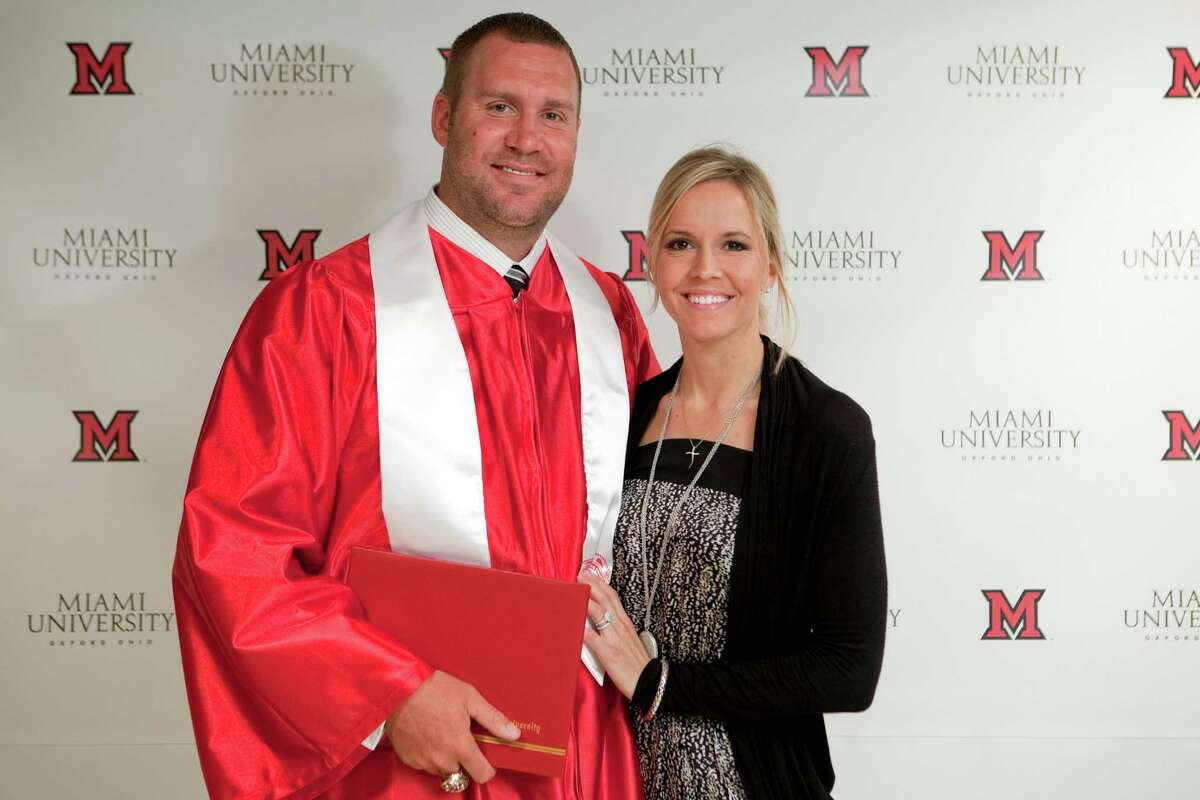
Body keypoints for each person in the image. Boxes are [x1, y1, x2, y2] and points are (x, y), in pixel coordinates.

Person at [172, 13, 657, 800]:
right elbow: (235, 554)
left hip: (589, 763)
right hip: (410, 768)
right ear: (443, 117)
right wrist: (388, 693)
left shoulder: (609, 314)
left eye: (554, 115)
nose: (527, 139)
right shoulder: (324, 312)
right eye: (499, 106)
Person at [579, 147, 887, 800]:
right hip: (619, 781)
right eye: (681, 242)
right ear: (654, 261)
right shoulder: (624, 415)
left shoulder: (826, 429)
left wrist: (659, 682)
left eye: (735, 245)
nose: (705, 269)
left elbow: (849, 669)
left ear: (771, 265)